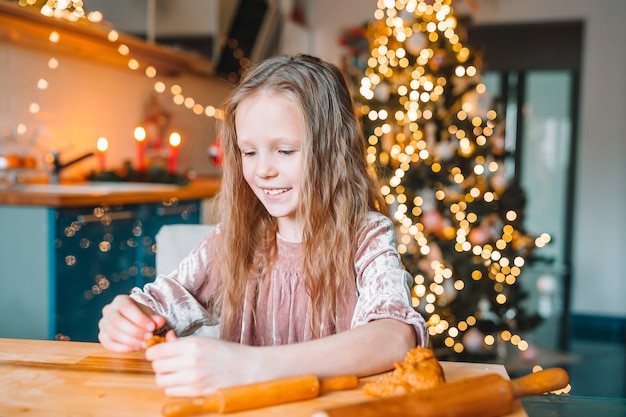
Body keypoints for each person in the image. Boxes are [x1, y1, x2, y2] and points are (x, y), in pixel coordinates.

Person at [98, 54, 427, 397]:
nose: (262, 170)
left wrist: (253, 366)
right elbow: (156, 306)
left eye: (284, 151)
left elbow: (395, 337)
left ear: (333, 151)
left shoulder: (366, 236)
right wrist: (126, 318)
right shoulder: (233, 239)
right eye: (249, 152)